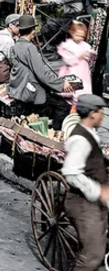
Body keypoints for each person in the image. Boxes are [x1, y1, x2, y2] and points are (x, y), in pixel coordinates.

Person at [61, 94, 109, 271]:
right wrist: (98, 191)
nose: (103, 117)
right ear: (92, 114)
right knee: (92, 256)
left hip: (93, 202)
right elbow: (71, 173)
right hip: (82, 203)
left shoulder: (91, 134)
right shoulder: (80, 139)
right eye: (101, 113)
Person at [9, 13, 78, 128]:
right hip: (29, 90)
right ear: (32, 31)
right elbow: (42, 73)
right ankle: (55, 131)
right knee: (63, 105)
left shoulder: (15, 46)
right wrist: (62, 84)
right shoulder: (29, 48)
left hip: (19, 88)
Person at [59, 19, 94, 100]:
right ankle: (73, 105)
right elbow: (67, 60)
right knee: (75, 92)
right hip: (73, 71)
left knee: (85, 89)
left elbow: (91, 53)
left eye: (82, 36)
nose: (80, 38)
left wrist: (90, 54)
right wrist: (78, 57)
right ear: (72, 33)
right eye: (78, 35)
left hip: (83, 72)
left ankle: (83, 104)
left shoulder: (85, 45)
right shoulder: (67, 45)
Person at [0, 13, 22, 85]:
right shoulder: (7, 40)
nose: (20, 29)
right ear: (10, 25)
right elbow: (12, 59)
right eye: (18, 26)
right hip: (2, 72)